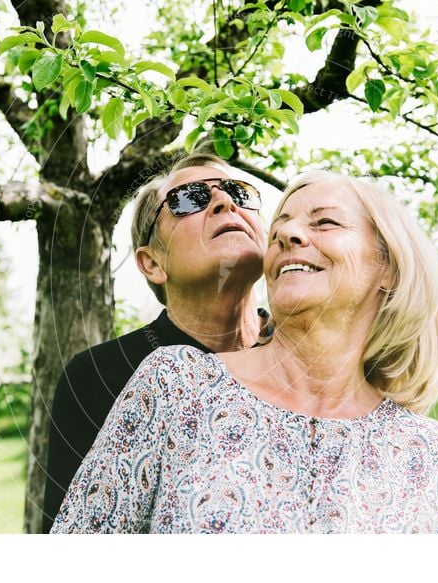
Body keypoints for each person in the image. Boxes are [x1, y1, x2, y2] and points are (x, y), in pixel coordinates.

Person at [51, 171, 438, 533]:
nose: (288, 233)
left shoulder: (433, 453)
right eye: (189, 199)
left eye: (325, 222)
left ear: (388, 264)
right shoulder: (174, 383)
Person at [41, 153, 271, 533]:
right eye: (190, 199)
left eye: (238, 192)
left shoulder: (310, 357)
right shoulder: (99, 378)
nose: (224, 202)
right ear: (152, 263)